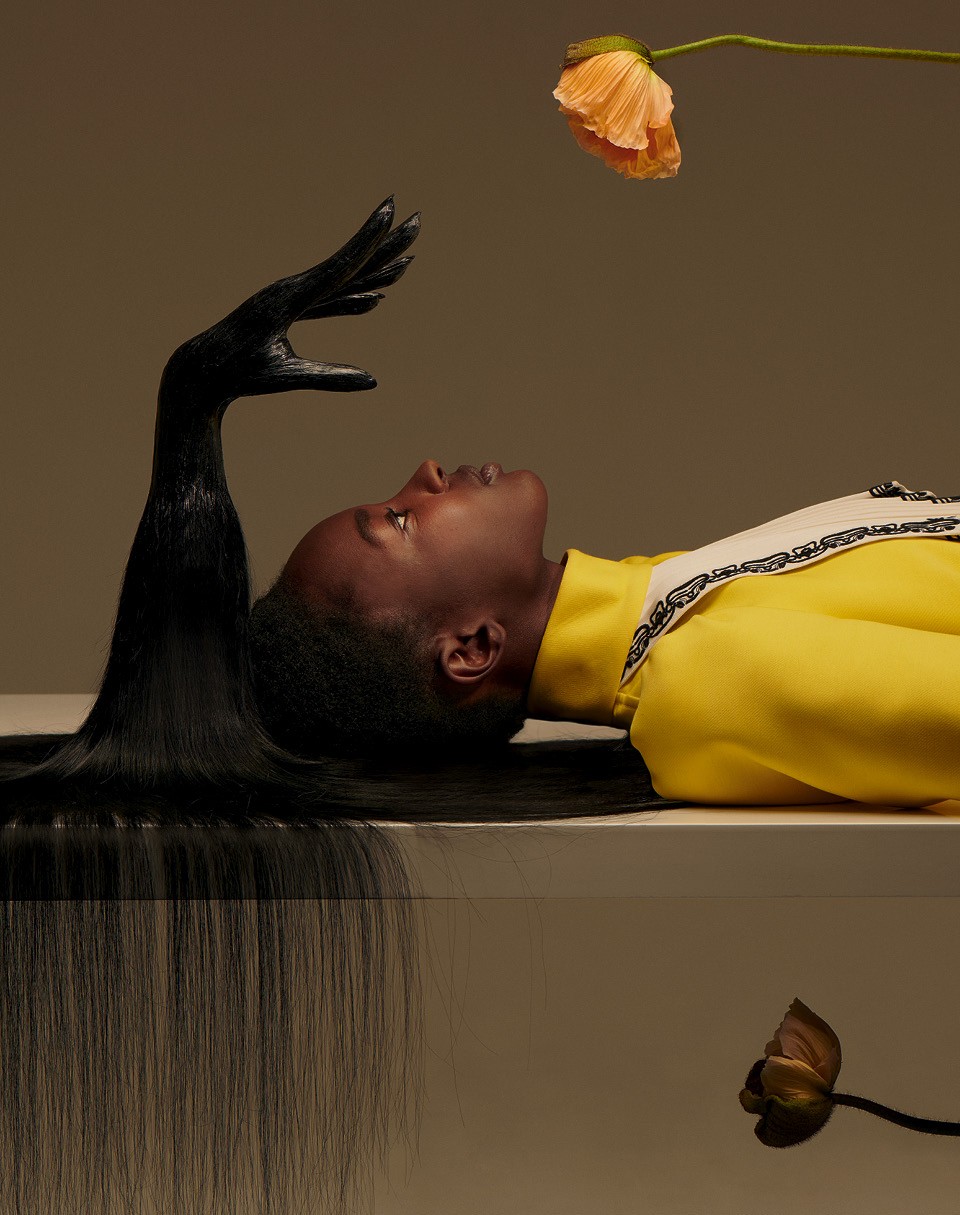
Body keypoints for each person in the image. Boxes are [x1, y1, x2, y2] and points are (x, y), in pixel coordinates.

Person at [251, 458, 960, 807]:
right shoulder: (701, 677)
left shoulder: (664, 600)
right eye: (401, 519)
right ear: (472, 648)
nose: (425, 473)